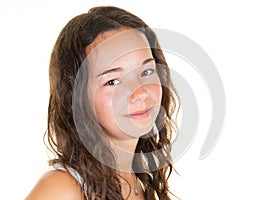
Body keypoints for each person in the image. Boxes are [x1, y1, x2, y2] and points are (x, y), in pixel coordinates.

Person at [26, 6, 180, 200]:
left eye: (146, 71)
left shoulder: (139, 181)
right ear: (76, 98)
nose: (140, 92)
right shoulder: (62, 188)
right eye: (113, 81)